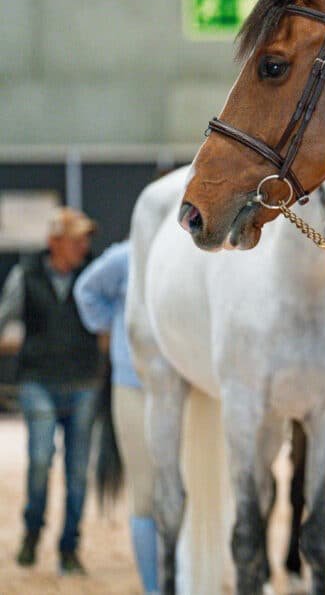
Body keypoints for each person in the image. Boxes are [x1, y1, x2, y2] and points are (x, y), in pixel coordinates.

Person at [0, 206, 102, 575]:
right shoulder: (25, 276)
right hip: (38, 381)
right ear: (53, 241)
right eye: (76, 239)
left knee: (77, 473)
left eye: (85, 238)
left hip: (84, 383)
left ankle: (69, 547)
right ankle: (31, 532)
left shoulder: (93, 274)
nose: (83, 245)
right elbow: (4, 317)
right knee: (41, 461)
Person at [73, 240, 159, 594]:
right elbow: (86, 290)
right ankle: (154, 587)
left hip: (188, 389)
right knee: (145, 494)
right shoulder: (127, 255)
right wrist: (113, 330)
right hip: (133, 384)